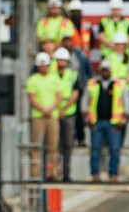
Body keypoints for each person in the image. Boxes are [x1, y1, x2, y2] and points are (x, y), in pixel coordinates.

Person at [83, 60, 129, 182]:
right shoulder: (93, 83)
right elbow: (85, 102)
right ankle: (95, 174)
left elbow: (126, 103)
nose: (105, 72)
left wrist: (123, 120)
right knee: (95, 149)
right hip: (96, 122)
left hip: (114, 122)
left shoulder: (119, 84)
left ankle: (113, 174)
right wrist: (87, 119)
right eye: (103, 70)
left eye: (107, 70)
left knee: (114, 149)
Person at [26, 52, 63, 181]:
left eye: (45, 65)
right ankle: (35, 173)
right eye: (41, 66)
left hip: (52, 115)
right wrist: (42, 109)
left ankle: (54, 172)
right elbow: (32, 98)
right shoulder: (32, 80)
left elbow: (59, 96)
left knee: (53, 146)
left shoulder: (55, 78)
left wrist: (51, 108)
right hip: (38, 116)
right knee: (36, 145)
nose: (43, 68)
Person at [61, 30, 93, 147]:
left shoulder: (80, 56)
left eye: (69, 41)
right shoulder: (59, 56)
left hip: (79, 88)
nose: (67, 43)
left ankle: (80, 138)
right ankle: (69, 140)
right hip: (64, 91)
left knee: (80, 115)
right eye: (65, 41)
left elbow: (88, 72)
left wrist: (86, 86)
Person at [53, 48, 80, 182]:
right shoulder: (51, 74)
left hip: (68, 112)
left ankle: (66, 174)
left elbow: (75, 93)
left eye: (64, 60)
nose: (61, 62)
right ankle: (54, 172)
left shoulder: (72, 75)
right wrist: (57, 109)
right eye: (59, 60)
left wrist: (64, 108)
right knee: (54, 145)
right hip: (54, 113)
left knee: (67, 145)